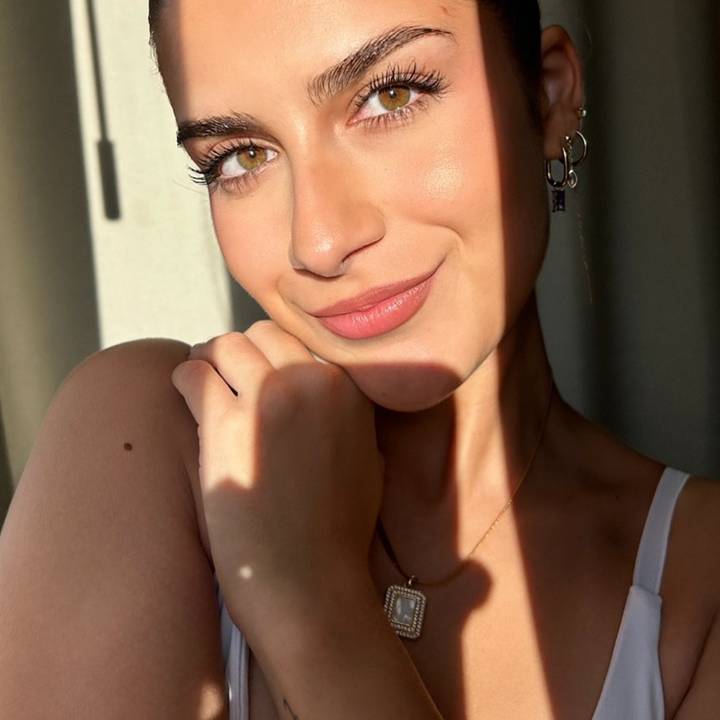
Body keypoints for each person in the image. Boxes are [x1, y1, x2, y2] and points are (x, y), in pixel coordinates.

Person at [0, 0, 718, 717]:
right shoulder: (143, 439)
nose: (318, 241)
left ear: (549, 96)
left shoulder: (701, 582)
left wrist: (311, 598)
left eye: (391, 96)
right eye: (241, 155)